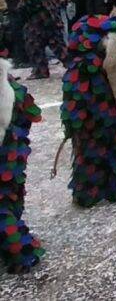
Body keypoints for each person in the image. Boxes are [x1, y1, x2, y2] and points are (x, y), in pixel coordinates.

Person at [61, 15, 116, 207]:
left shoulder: (79, 66)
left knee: (90, 156)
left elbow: (72, 97)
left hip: (91, 122)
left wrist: (71, 122)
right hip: (113, 119)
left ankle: (90, 193)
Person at [0, 59, 44, 273]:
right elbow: (30, 112)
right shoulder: (9, 82)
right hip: (11, 150)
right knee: (8, 195)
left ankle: (19, 250)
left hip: (8, 150)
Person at [23, 0, 66, 79]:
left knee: (36, 45)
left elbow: (29, 2)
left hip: (41, 18)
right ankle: (42, 70)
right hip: (47, 17)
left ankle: (41, 71)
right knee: (54, 46)